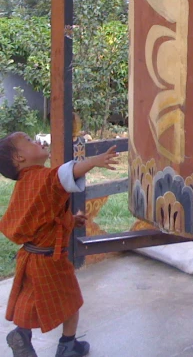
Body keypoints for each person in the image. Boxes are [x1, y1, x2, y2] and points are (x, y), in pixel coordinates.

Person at [0, 132, 119, 357]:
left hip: (29, 257)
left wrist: (70, 221)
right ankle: (68, 345)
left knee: (30, 299)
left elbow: (43, 219)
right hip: (50, 260)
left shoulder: (25, 185)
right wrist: (94, 161)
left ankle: (21, 334)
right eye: (28, 140)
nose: (36, 141)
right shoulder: (43, 178)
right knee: (71, 300)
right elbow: (64, 174)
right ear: (19, 158)